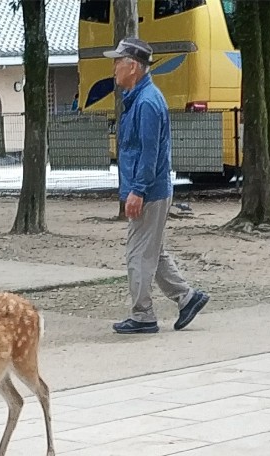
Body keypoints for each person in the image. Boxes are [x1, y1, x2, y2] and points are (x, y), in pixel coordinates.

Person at [107, 37, 208, 336]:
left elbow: (150, 153)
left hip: (148, 190)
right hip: (151, 188)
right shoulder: (142, 98)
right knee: (152, 249)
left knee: (138, 253)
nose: (113, 67)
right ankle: (187, 298)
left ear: (133, 67)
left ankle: (143, 315)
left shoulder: (147, 102)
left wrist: (137, 190)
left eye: (117, 62)